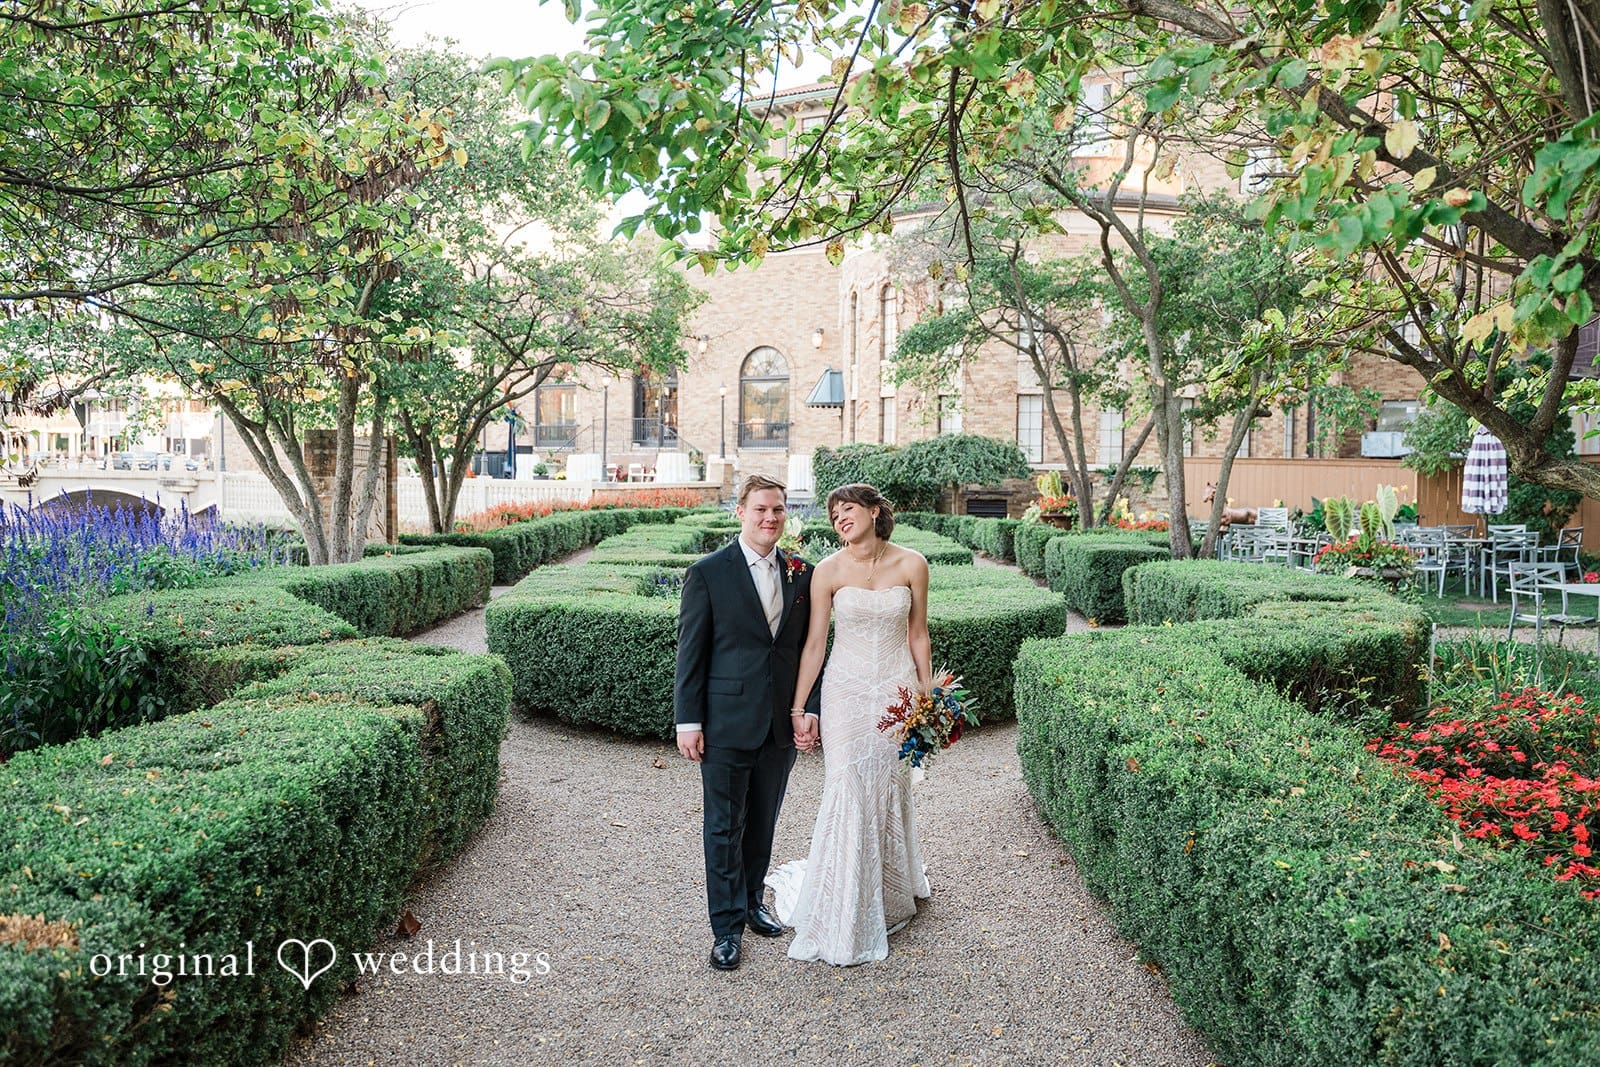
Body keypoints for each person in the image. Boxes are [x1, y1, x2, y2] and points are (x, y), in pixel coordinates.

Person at [767, 482, 932, 966]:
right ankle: (842, 903)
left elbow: (918, 633)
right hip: (845, 692)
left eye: (849, 510)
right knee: (846, 785)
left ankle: (887, 894)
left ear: (874, 512)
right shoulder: (828, 571)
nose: (840, 518)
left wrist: (927, 694)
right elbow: (815, 643)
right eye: (834, 513)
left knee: (887, 786)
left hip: (896, 694)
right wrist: (800, 708)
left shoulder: (912, 563)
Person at [674, 474, 820, 971]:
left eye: (778, 509)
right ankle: (726, 928)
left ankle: (755, 901)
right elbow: (691, 654)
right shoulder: (709, 573)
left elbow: (811, 652)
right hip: (724, 723)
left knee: (762, 823)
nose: (770, 518)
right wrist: (687, 720)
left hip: (779, 726)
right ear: (740, 511)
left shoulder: (803, 573)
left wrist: (809, 708)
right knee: (722, 827)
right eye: (760, 509)